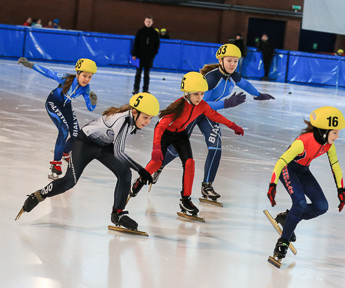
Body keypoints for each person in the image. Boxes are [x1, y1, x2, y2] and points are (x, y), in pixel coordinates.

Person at [145, 44, 274, 202]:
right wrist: (226, 104)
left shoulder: (233, 76)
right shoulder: (212, 78)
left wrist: (258, 95)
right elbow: (202, 105)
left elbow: (244, 84)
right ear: (220, 60)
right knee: (177, 149)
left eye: (235, 61)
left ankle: (207, 186)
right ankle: (160, 165)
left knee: (216, 148)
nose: (233, 64)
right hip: (194, 111)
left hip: (209, 116)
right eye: (229, 60)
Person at [16, 93, 159, 232]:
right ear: (134, 111)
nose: (147, 122)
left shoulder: (131, 118)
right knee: (69, 181)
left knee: (125, 172)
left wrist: (138, 170)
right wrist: (141, 170)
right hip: (85, 144)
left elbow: (116, 149)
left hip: (104, 146)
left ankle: (118, 214)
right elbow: (119, 153)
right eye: (145, 117)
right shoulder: (122, 120)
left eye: (150, 118)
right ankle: (39, 195)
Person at [129, 72, 244, 218]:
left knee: (190, 163)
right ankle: (140, 180)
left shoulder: (202, 105)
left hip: (180, 134)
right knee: (157, 162)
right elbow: (159, 127)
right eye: (196, 94)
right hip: (166, 133)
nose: (200, 97)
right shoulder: (177, 107)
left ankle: (185, 200)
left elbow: (215, 116)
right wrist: (157, 147)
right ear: (187, 93)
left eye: (202, 93)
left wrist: (233, 126)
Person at [266, 106, 345, 267]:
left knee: (322, 206)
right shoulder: (303, 142)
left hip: (303, 171)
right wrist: (272, 184)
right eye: (335, 132)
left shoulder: (328, 145)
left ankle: (287, 218)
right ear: (324, 131)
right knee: (300, 203)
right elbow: (281, 162)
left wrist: (341, 190)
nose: (337, 137)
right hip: (288, 169)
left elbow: (335, 166)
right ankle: (283, 242)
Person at [17, 57, 98, 178]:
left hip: (66, 107)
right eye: (84, 76)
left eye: (90, 77)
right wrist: (30, 65)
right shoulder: (66, 78)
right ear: (78, 74)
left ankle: (65, 152)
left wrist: (93, 100)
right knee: (64, 131)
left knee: (77, 134)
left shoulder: (86, 88)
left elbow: (91, 108)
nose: (86, 79)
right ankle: (56, 164)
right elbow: (48, 72)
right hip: (53, 103)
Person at [131, 16, 160, 94]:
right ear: (144, 22)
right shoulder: (140, 32)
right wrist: (134, 54)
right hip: (139, 56)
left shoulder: (154, 33)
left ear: (152, 22)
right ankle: (136, 89)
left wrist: (154, 54)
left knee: (146, 74)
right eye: (147, 21)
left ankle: (145, 90)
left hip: (149, 57)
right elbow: (136, 43)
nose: (148, 23)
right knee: (138, 73)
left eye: (149, 21)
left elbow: (157, 45)